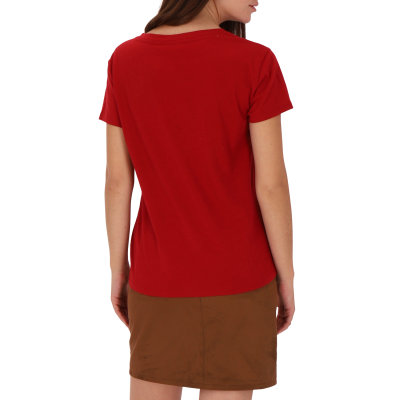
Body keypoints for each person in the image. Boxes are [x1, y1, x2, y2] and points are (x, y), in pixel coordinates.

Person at [101, 1, 295, 399]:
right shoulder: (255, 61)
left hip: (156, 278)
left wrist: (118, 272)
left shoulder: (125, 58)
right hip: (241, 278)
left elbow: (118, 181)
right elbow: (271, 185)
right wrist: (286, 277)